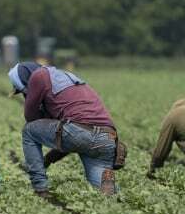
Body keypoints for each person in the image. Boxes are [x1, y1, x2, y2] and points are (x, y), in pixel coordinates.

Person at [8, 62, 123, 196]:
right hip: (107, 138)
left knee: (29, 131)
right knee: (106, 191)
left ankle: (40, 187)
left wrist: (41, 163)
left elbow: (30, 117)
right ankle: (118, 201)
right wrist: (48, 159)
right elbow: (70, 138)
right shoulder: (65, 77)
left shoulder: (39, 75)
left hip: (80, 131)